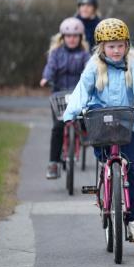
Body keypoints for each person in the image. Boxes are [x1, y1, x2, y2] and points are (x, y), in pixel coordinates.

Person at [63, 18, 134, 241]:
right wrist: (70, 113)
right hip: (101, 123)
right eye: (111, 46)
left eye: (120, 45)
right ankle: (107, 179)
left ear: (127, 46)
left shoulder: (133, 66)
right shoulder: (94, 67)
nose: (116, 50)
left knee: (133, 170)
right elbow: (81, 91)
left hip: (127, 122)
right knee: (105, 158)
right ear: (102, 47)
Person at [40, 17, 91, 179]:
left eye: (75, 36)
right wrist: (46, 78)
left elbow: (90, 69)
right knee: (57, 127)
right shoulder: (56, 53)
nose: (72, 39)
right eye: (68, 36)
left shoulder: (84, 55)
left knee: (85, 117)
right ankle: (53, 163)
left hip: (78, 94)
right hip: (59, 95)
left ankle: (84, 135)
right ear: (62, 37)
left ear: (80, 37)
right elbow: (50, 68)